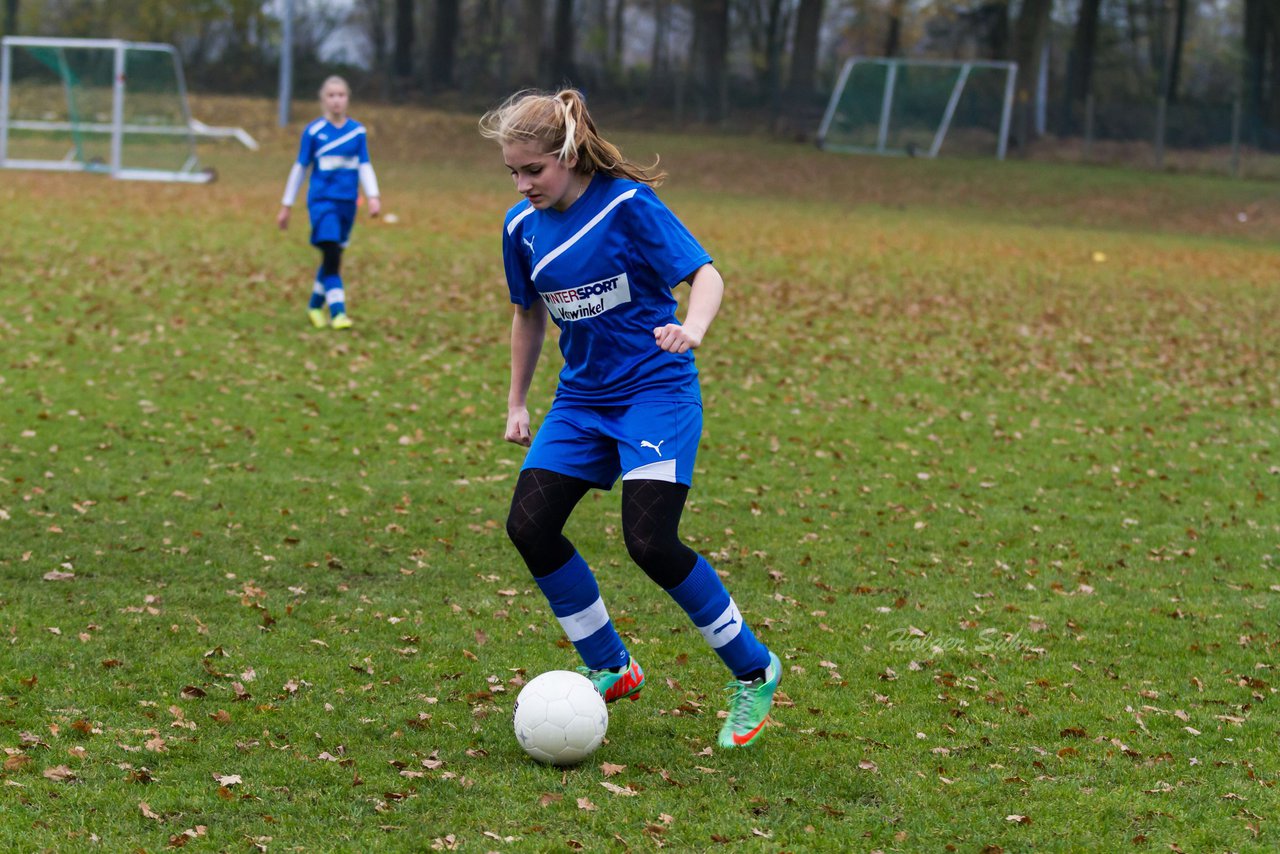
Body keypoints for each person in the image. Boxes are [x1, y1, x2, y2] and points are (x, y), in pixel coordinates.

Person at [478, 89, 781, 749]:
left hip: (654, 392)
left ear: (566, 153)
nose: (524, 184)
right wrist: (517, 402)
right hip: (582, 402)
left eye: (534, 170)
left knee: (650, 543)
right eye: (513, 172)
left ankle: (754, 670)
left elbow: (705, 275)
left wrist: (692, 329)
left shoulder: (627, 205)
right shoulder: (520, 228)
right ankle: (611, 663)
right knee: (529, 526)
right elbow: (528, 314)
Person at [277, 75, 381, 330]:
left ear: (348, 99)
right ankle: (338, 313)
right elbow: (300, 168)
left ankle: (314, 305)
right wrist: (286, 205)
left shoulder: (357, 132)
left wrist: (373, 196)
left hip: (348, 204)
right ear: (323, 100)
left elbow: (364, 165)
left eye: (341, 95)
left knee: (332, 257)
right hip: (323, 203)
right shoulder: (313, 132)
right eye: (331, 95)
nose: (336, 100)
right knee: (332, 254)